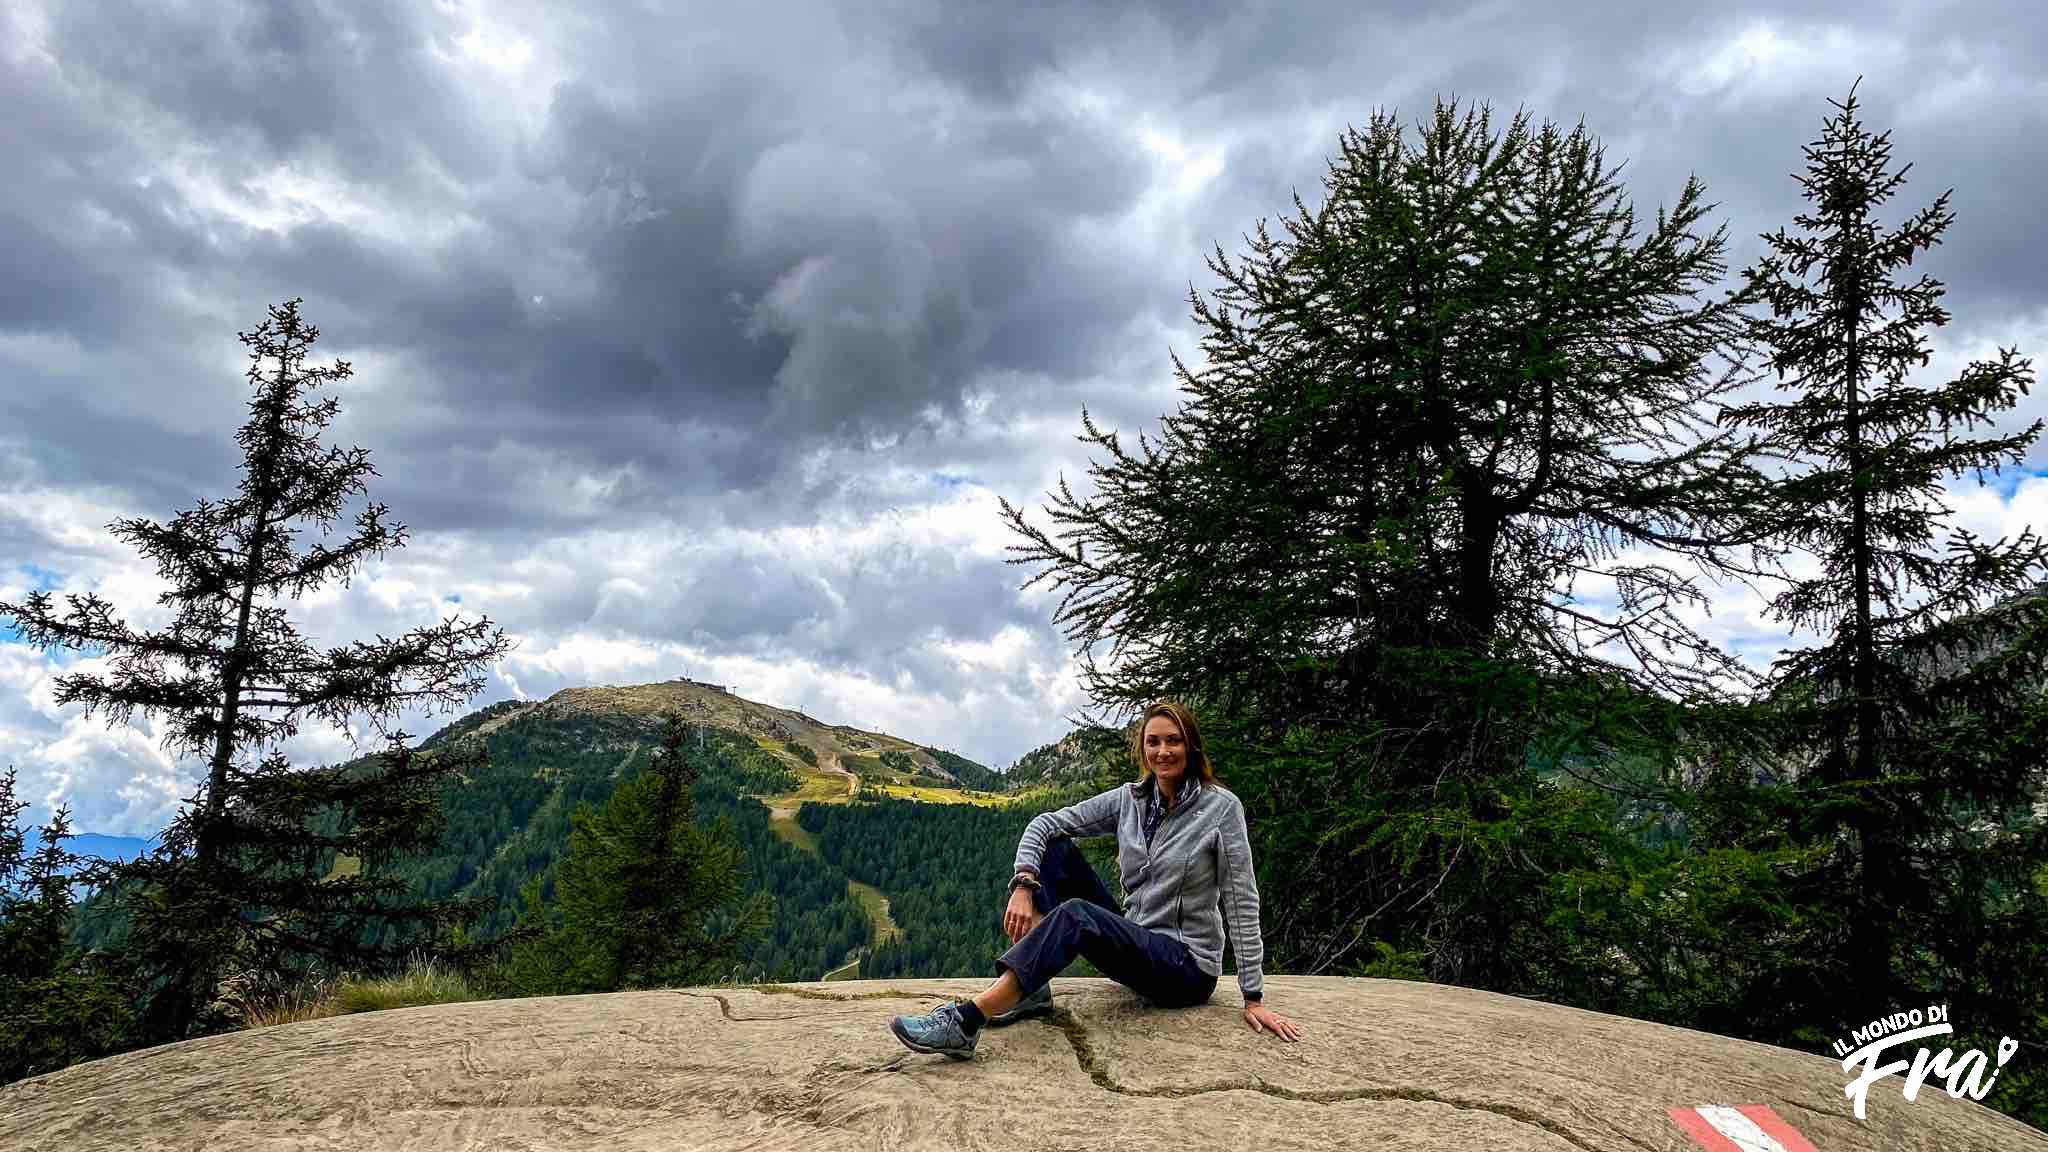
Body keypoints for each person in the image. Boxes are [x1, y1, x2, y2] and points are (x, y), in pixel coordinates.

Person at [888, 699, 1303, 1059]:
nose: (1162, 751)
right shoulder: (1130, 799)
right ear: (1143, 749)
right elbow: (1044, 823)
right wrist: (1023, 883)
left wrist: (1253, 997)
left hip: (1185, 969)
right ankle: (1031, 992)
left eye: (1173, 740)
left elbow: (1241, 901)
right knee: (1055, 851)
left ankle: (967, 1021)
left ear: (1191, 746)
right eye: (1153, 741)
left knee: (1077, 915)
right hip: (1138, 943)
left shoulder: (1221, 809)